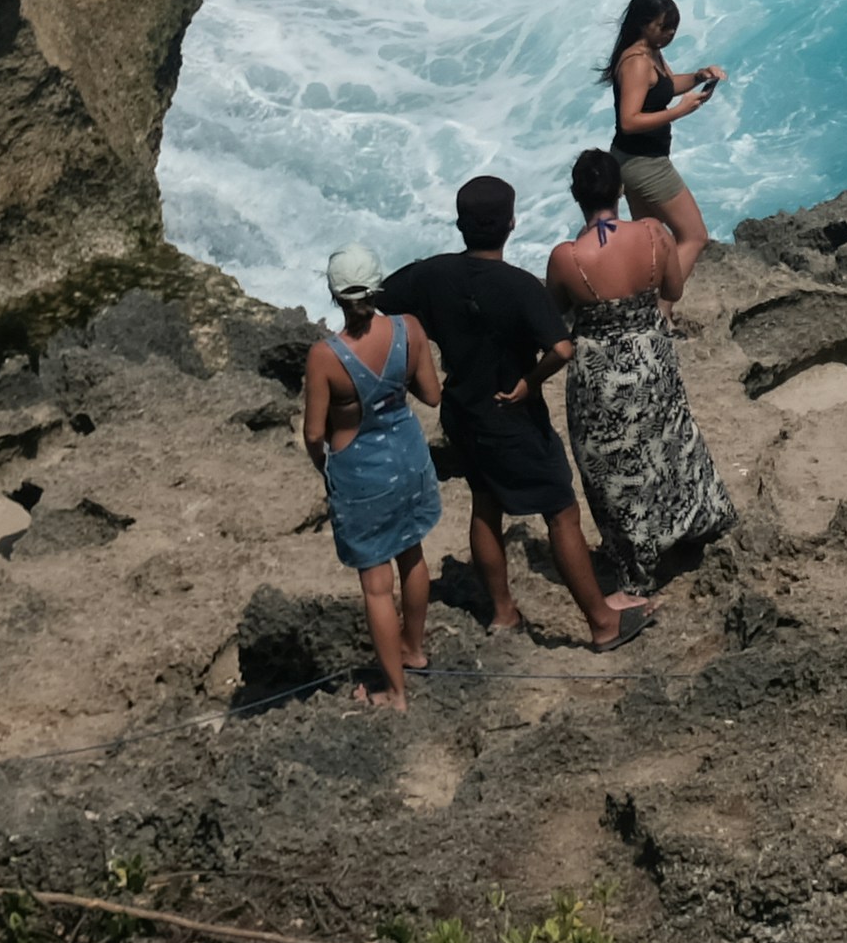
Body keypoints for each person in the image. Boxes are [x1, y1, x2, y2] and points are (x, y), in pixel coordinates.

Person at [378, 174, 632, 650]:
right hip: (510, 414)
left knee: (486, 503)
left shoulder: (431, 274)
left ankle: (502, 612)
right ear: (512, 224)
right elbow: (561, 348)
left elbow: (384, 304)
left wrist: (417, 364)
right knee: (560, 511)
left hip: (462, 408)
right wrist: (528, 382)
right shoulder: (519, 286)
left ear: (459, 224)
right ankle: (602, 622)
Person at [548, 147, 732, 581]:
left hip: (599, 371)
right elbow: (673, 288)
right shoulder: (653, 234)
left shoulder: (567, 257)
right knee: (670, 443)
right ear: (621, 189)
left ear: (577, 195)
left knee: (613, 468)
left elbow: (555, 310)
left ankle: (637, 560)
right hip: (652, 356)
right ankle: (690, 525)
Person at [299, 246, 449, 698]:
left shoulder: (325, 357)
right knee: (413, 556)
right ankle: (414, 650)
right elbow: (432, 395)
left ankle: (395, 694)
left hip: (361, 473)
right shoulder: (409, 329)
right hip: (408, 458)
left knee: (377, 587)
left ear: (334, 294)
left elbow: (313, 433)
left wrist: (322, 467)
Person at [604, 0, 723, 229]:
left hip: (635, 158)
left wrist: (700, 76)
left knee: (652, 235)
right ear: (643, 24)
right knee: (694, 236)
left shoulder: (651, 52)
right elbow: (629, 121)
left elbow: (666, 86)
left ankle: (652, 268)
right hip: (643, 162)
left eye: (673, 28)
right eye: (664, 27)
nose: (670, 34)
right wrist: (679, 111)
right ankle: (673, 269)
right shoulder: (637, 62)